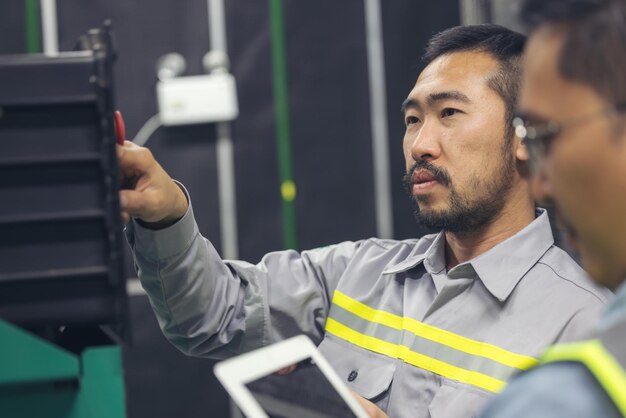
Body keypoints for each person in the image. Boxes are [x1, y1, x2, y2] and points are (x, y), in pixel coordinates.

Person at [119, 25, 611, 418]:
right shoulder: (357, 274)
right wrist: (165, 216)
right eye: (413, 119)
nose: (420, 144)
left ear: (524, 133)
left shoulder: (586, 327)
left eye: (450, 112)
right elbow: (211, 315)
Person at [478, 0, 626, 417]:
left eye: (545, 136)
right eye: (413, 119)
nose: (540, 184)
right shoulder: (364, 266)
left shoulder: (556, 402)